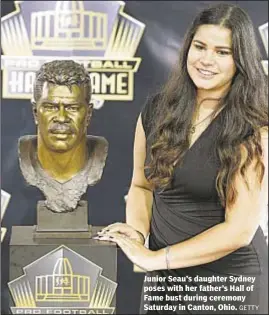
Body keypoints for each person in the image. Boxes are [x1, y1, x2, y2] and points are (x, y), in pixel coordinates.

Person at [93, 3, 268, 314]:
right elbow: (141, 186)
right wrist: (137, 232)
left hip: (229, 283)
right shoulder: (157, 109)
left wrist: (154, 259)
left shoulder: (252, 128)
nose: (206, 60)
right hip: (166, 281)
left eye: (222, 52)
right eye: (199, 46)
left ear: (240, 60)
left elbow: (239, 230)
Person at [19, 60, 108, 213]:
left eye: (72, 108)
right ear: (35, 112)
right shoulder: (21, 158)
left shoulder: (108, 159)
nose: (61, 117)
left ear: (88, 114)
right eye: (50, 107)